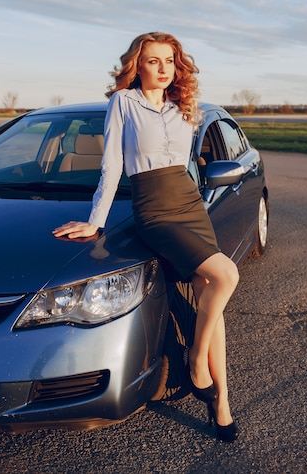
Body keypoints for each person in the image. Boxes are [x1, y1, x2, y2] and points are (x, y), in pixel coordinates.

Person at [53, 32, 240, 442]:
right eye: (152, 61)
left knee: (211, 287)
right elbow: (112, 166)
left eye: (169, 61)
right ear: (137, 65)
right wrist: (96, 222)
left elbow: (188, 164)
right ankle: (196, 363)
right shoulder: (124, 103)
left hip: (189, 202)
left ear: (177, 65)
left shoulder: (183, 107)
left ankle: (222, 403)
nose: (162, 69)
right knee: (226, 275)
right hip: (155, 207)